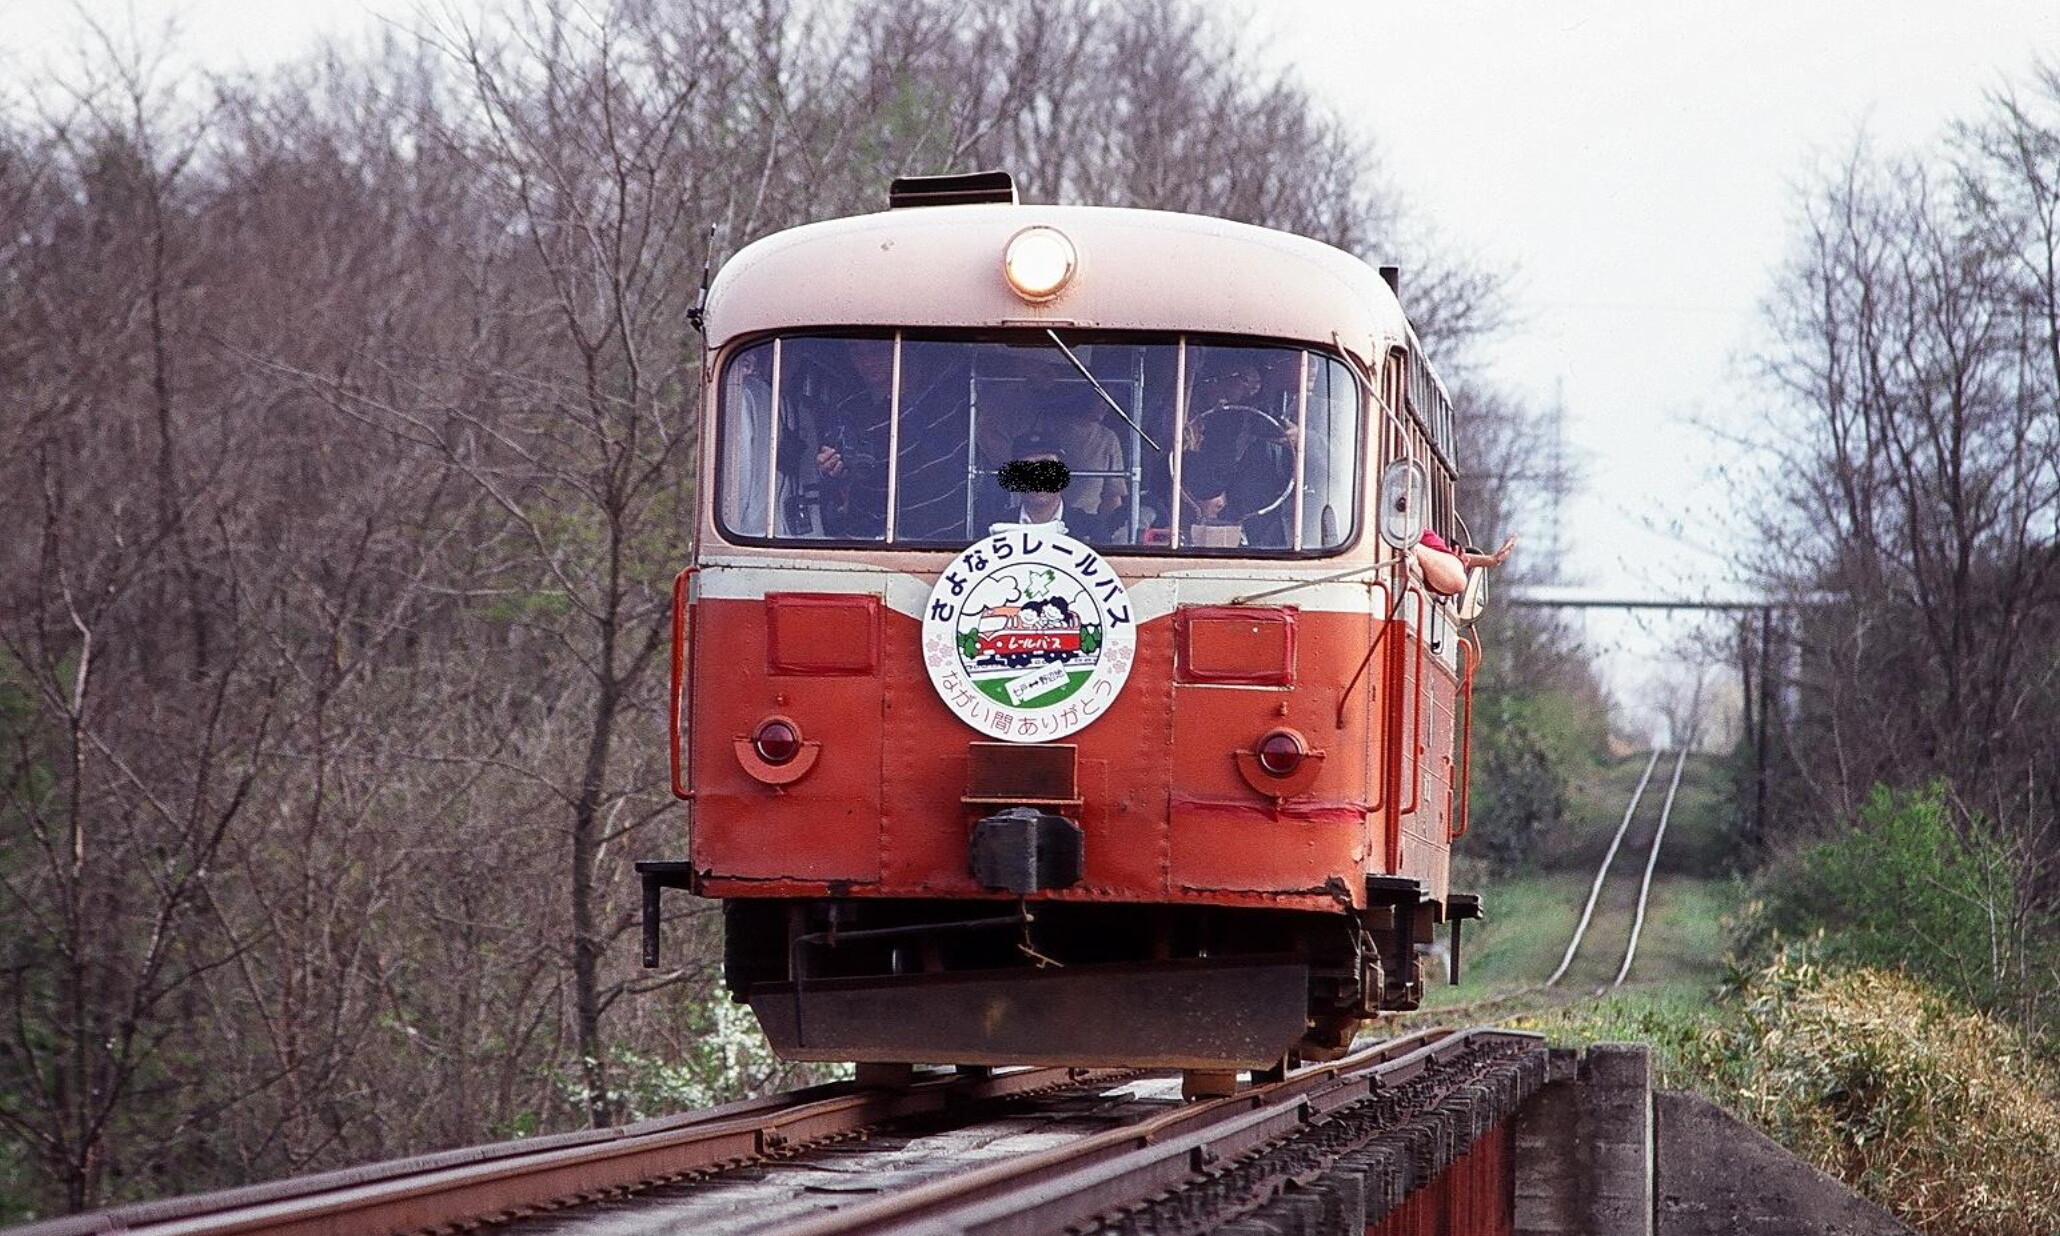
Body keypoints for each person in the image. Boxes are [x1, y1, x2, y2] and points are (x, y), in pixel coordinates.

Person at [1412, 529, 1516, 596]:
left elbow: (1447, 567)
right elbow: (1456, 579)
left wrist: (1492, 560)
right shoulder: (1413, 531)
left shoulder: (1419, 534)